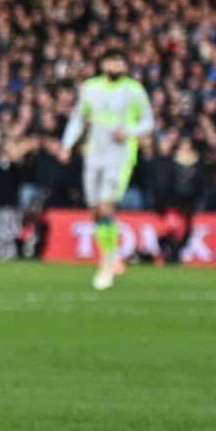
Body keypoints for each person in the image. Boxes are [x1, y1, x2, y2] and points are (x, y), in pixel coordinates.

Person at [59, 48, 154, 290]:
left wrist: (130, 132)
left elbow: (148, 120)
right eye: (110, 61)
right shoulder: (90, 87)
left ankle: (108, 260)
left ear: (125, 66)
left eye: (119, 62)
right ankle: (112, 255)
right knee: (94, 210)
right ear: (102, 64)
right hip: (94, 155)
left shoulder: (133, 90)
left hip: (120, 156)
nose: (114, 66)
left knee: (105, 205)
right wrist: (66, 145)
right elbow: (79, 118)